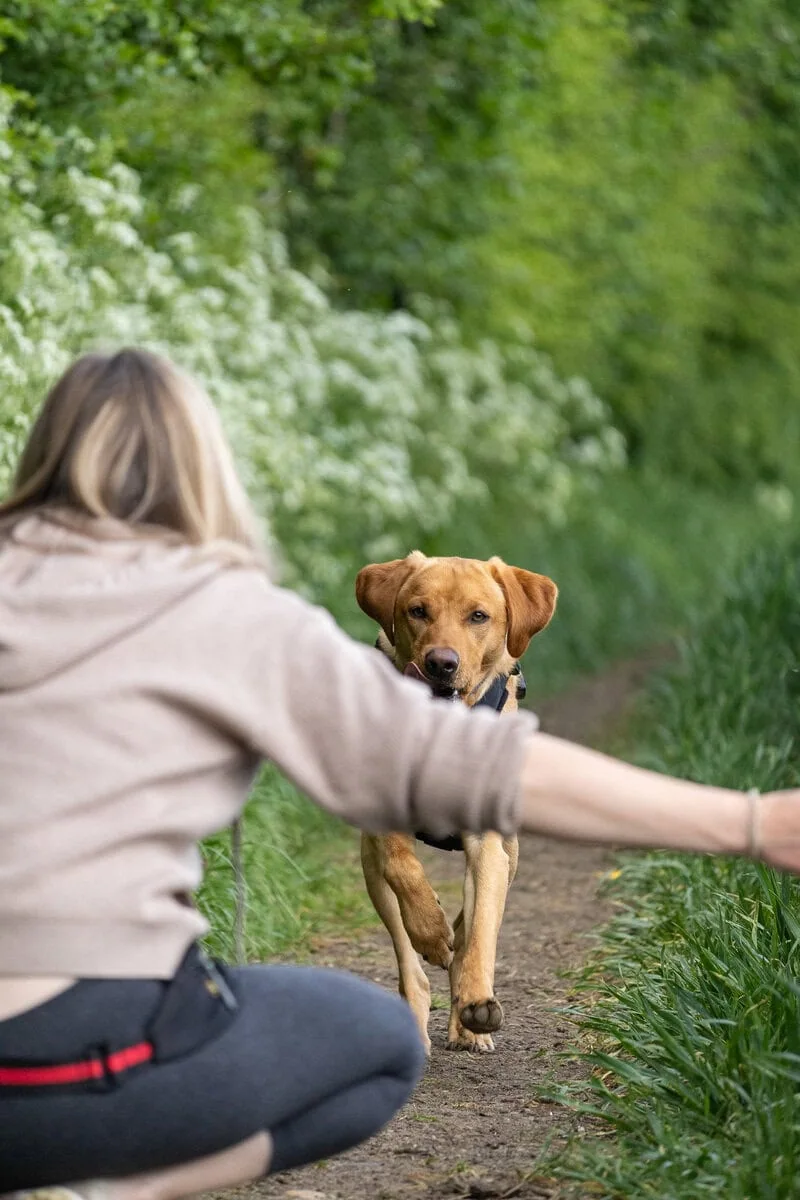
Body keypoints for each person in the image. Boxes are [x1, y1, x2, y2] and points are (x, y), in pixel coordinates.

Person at [0, 348, 798, 1200]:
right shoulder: (224, 613)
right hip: (110, 1057)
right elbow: (486, 767)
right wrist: (750, 822)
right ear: (206, 471)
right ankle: (99, 1190)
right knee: (378, 1041)